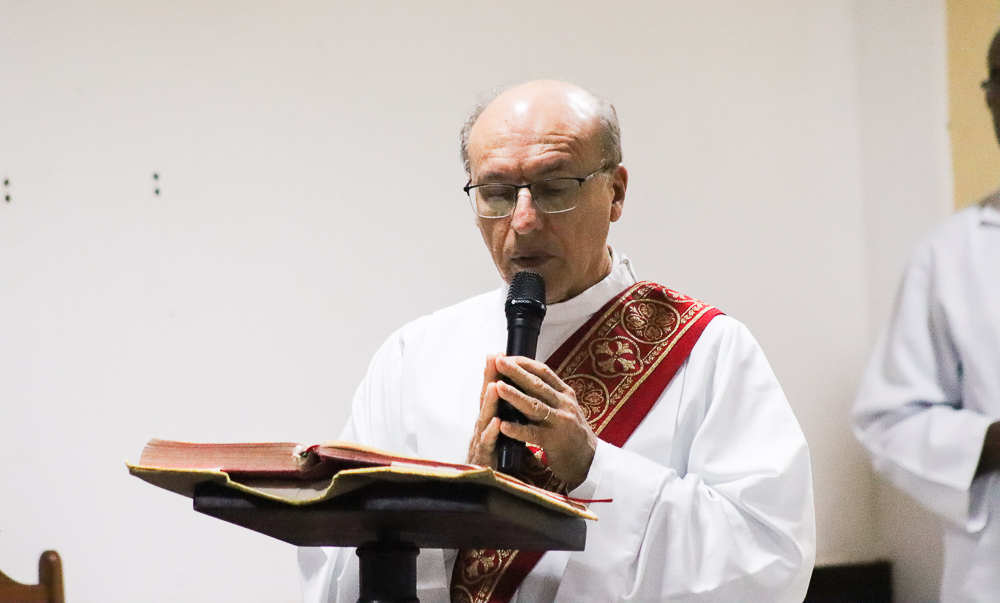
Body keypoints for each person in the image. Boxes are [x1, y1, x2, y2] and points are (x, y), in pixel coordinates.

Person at [299, 80, 815, 602]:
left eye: (554, 187)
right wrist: (463, 502)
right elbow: (336, 566)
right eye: (497, 192)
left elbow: (771, 561)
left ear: (616, 192)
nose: (523, 221)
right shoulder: (414, 359)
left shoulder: (706, 351)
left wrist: (594, 468)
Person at [852, 30, 1000, 603]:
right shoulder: (950, 255)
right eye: (999, 81)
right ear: (988, 98)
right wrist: (990, 441)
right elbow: (888, 419)